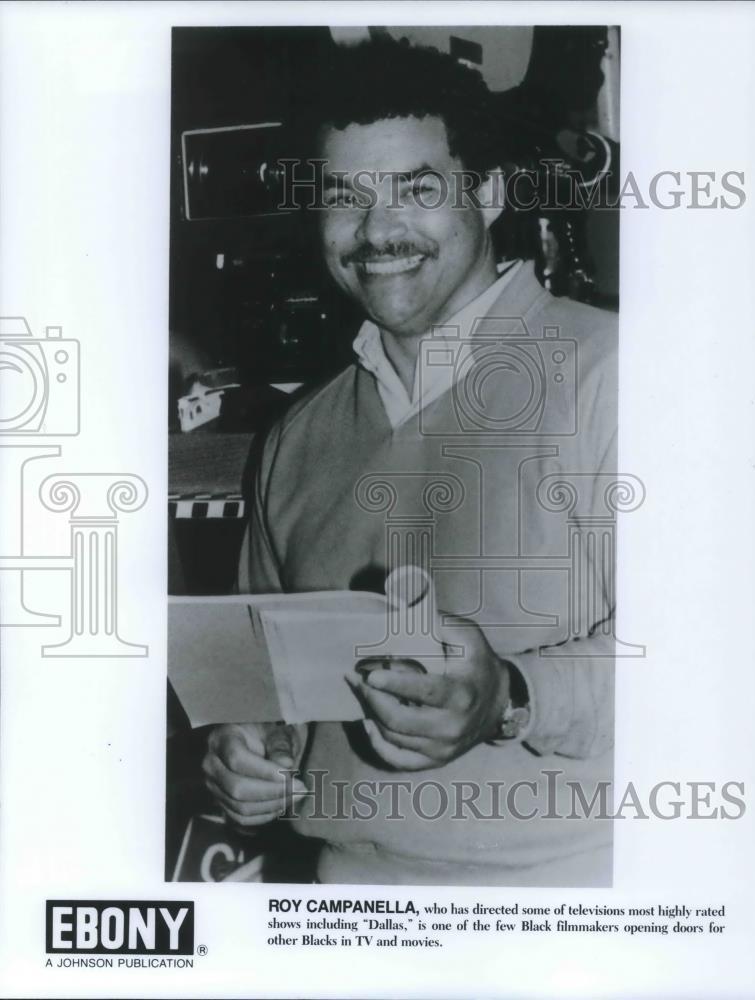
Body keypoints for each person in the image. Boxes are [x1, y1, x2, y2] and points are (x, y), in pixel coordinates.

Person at [202, 38, 618, 886]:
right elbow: (251, 689)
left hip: (572, 895)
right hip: (342, 900)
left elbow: (721, 668)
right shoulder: (295, 436)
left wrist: (507, 698)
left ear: (490, 193)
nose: (378, 231)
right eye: (344, 199)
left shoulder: (611, 373)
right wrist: (239, 754)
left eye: (417, 190)